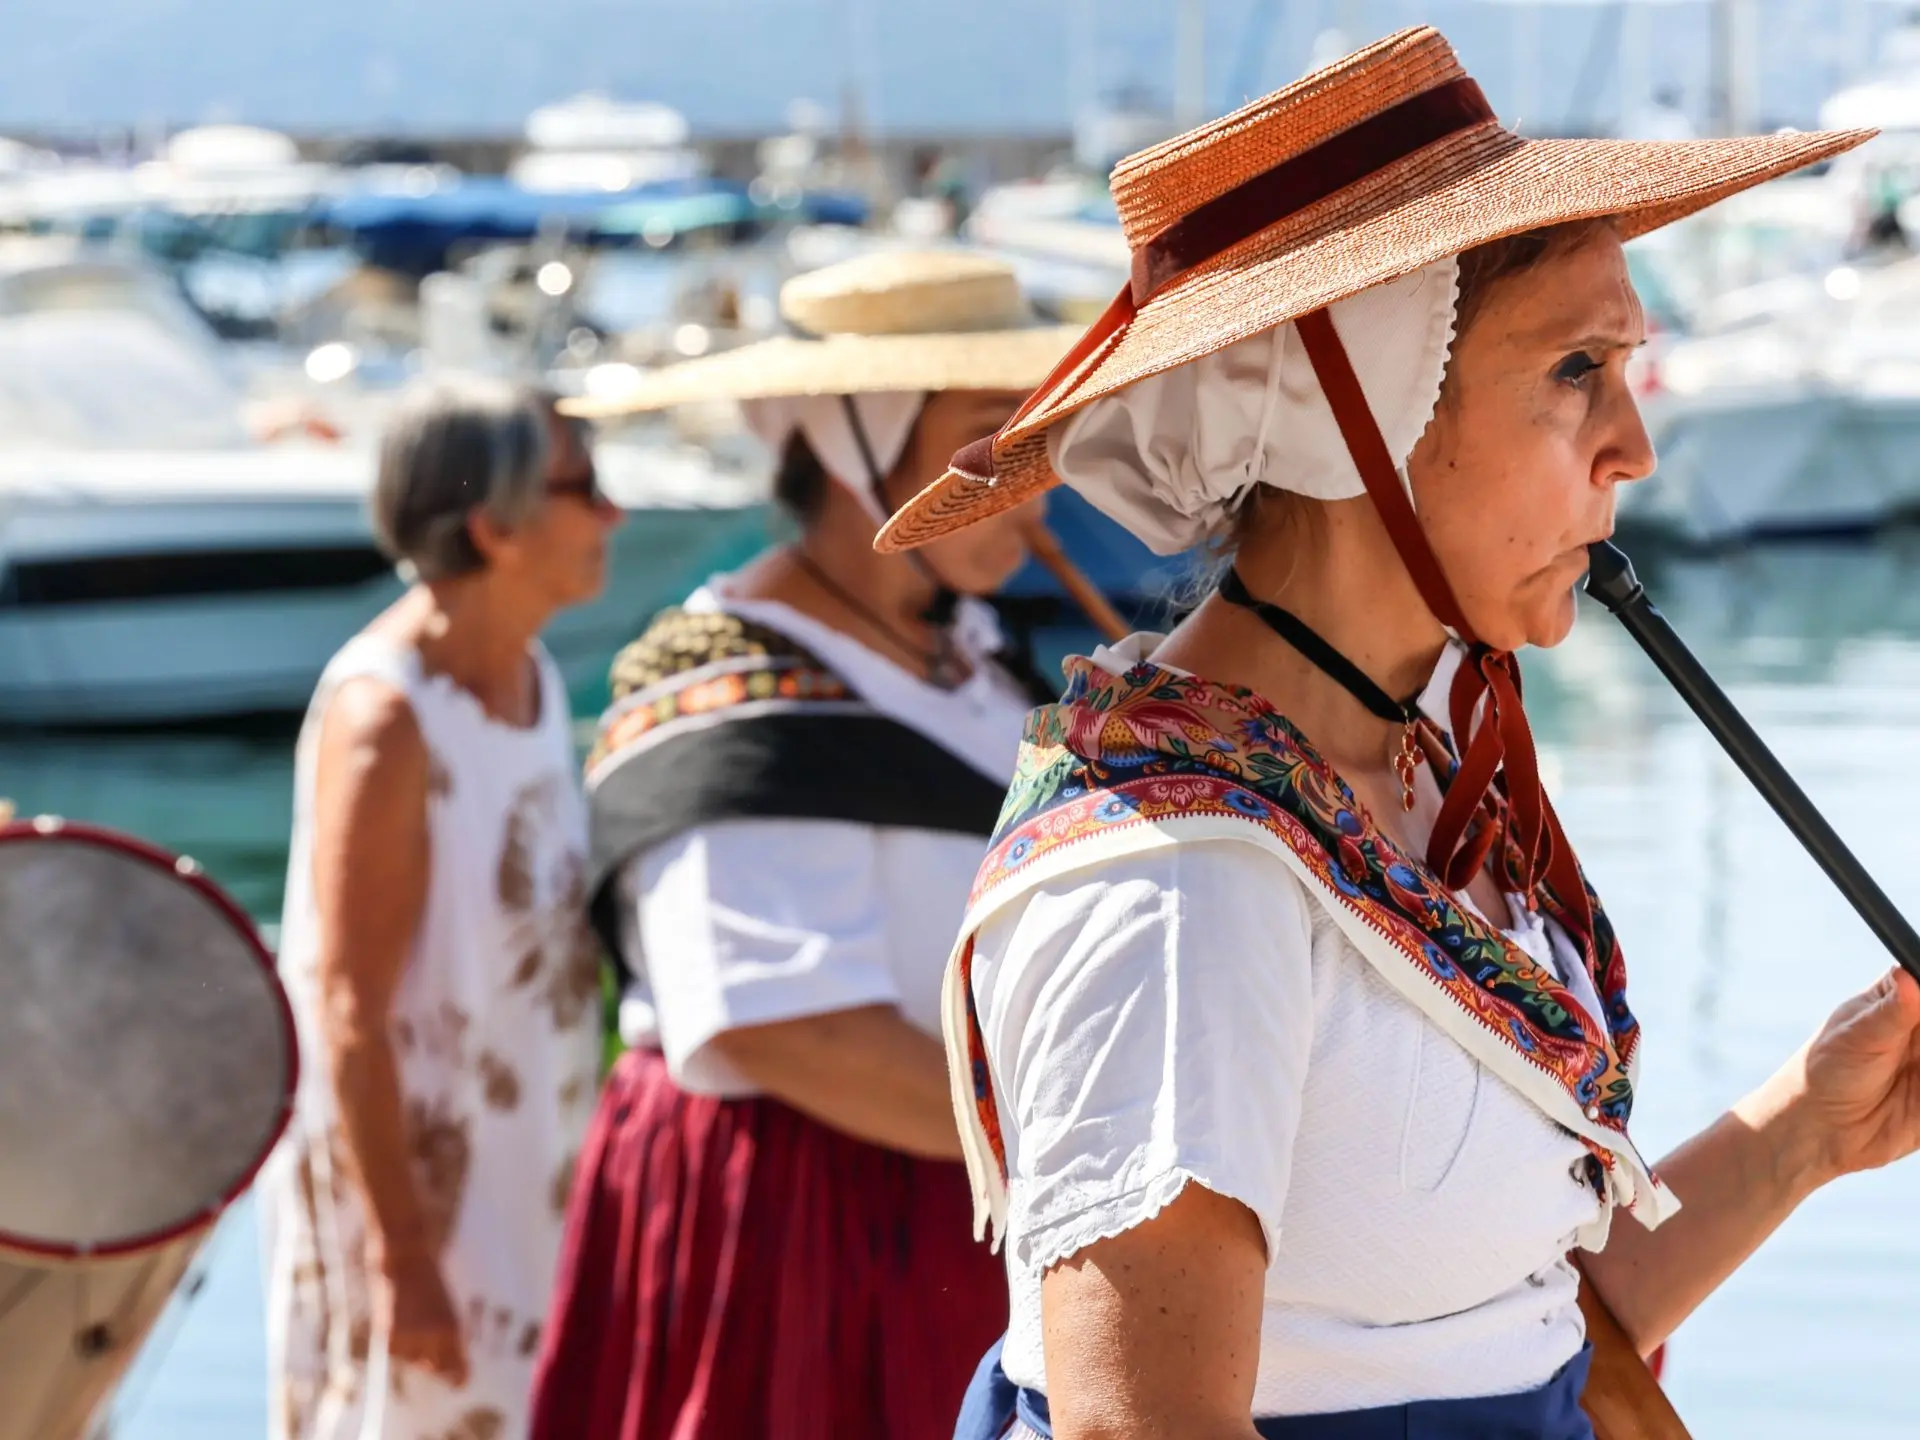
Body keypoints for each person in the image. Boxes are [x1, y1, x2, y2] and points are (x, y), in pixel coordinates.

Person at [877, 28, 1916, 1440]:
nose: (1636, 447)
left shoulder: (1405, 760)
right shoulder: (1181, 882)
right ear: (1352, 407)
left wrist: (1809, 1129)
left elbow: (1498, 1326)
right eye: (1574, 368)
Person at [527, 250, 1080, 1440]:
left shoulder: (967, 653)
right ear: (854, 448)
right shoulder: (733, 692)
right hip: (809, 1220)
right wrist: (1090, 1151)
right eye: (997, 437)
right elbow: (790, 1029)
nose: (1040, 480)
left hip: (959, 1192)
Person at [263, 377, 621, 1440]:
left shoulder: (533, 673)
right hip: (419, 1198)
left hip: (529, 1161)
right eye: (584, 486)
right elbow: (347, 1011)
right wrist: (403, 1262)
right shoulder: (387, 719)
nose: (613, 514)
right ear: (491, 528)